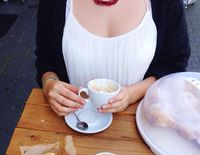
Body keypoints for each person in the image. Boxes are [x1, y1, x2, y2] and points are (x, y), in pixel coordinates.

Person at [35, 0, 190, 116]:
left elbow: (174, 64)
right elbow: (45, 59)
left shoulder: (166, 3)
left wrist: (131, 94)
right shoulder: (54, 3)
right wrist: (49, 84)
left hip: (139, 126)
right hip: (72, 121)